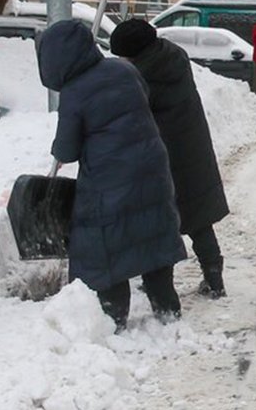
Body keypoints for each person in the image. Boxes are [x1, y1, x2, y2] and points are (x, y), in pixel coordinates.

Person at [37, 19, 186, 330]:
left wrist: (59, 151)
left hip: (111, 183)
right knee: (153, 237)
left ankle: (112, 317)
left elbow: (67, 150)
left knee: (104, 247)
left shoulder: (75, 92)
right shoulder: (124, 70)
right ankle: (167, 310)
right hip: (153, 169)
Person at [110, 19, 230, 299]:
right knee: (198, 217)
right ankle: (214, 277)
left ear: (134, 52)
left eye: (123, 55)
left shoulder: (140, 76)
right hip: (192, 147)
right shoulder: (173, 57)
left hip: (162, 155)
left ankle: (159, 283)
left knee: (160, 221)